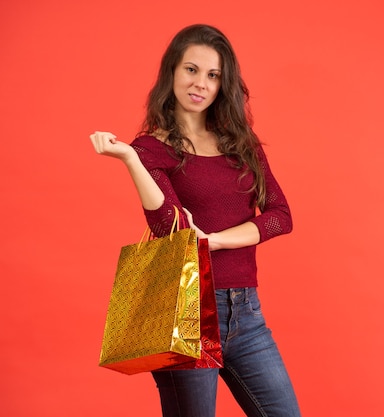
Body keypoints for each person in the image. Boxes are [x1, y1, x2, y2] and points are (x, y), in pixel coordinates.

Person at [89, 24, 301, 417]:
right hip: (184, 310)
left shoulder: (242, 144)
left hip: (246, 313)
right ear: (172, 72)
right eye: (191, 70)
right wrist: (131, 160)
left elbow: (280, 216)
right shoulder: (151, 148)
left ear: (224, 83)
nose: (200, 83)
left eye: (212, 75)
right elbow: (172, 229)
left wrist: (216, 240)